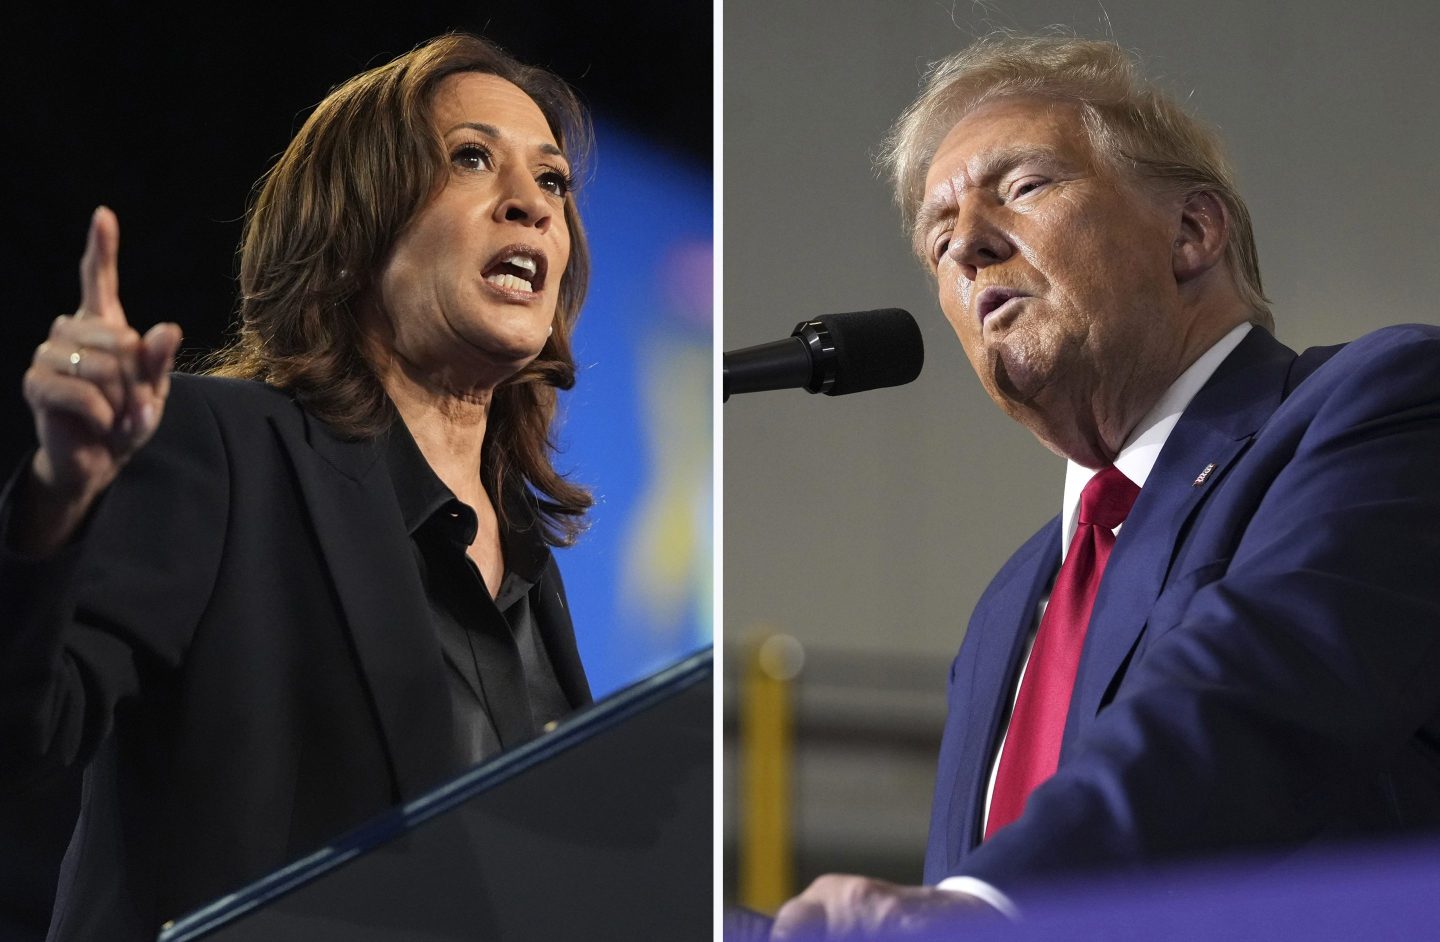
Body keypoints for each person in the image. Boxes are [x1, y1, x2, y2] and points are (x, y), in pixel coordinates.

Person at [769, 34, 1440, 940]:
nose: (965, 245)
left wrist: (990, 908)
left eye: (1023, 187)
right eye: (937, 237)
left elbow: (1244, 702)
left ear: (1192, 233)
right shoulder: (1009, 606)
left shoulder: (1377, 406)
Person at [1, 33, 598, 940]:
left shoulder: (528, 563)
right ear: (355, 230)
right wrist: (56, 498)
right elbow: (25, 737)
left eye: (552, 180)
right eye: (471, 158)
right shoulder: (225, 452)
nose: (532, 205)